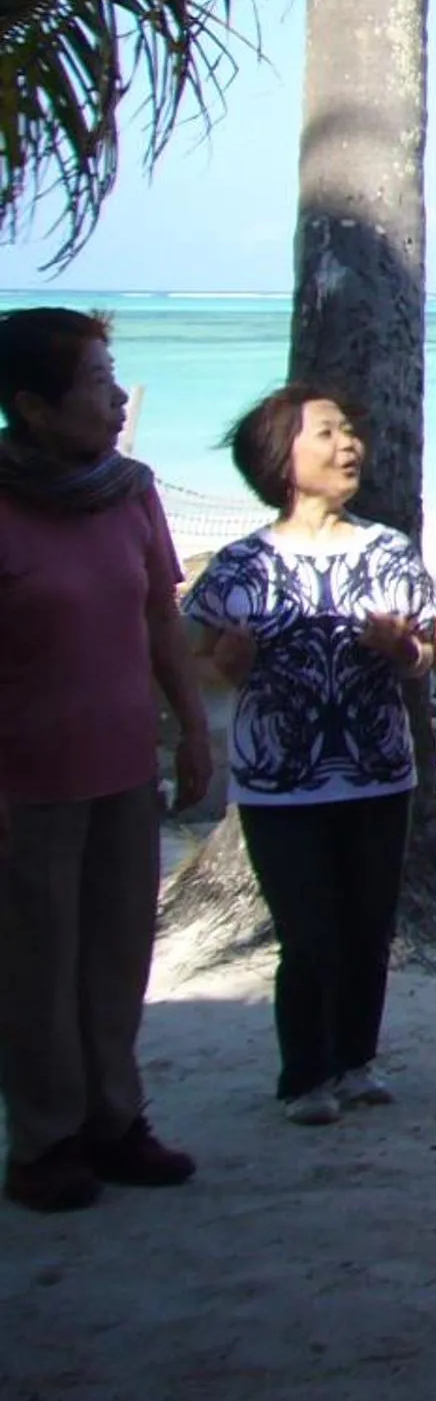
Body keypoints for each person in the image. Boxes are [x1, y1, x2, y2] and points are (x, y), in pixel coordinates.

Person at [0, 309, 209, 1213]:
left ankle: (115, 1122)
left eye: (113, 375)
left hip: (124, 761)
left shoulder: (128, 491)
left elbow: (161, 617)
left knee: (119, 953)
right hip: (25, 777)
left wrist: (193, 726)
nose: (117, 397)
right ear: (31, 408)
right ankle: (43, 1141)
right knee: (34, 964)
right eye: (93, 382)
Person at [185, 387, 436, 1123]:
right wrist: (227, 665)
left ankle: (356, 1061)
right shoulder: (241, 565)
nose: (349, 444)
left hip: (377, 768)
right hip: (279, 780)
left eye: (350, 430)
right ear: (281, 458)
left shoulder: (388, 549)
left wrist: (403, 651)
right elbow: (192, 661)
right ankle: (304, 1076)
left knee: (368, 924)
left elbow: (424, 659)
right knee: (309, 931)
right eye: (327, 432)